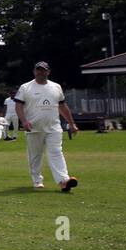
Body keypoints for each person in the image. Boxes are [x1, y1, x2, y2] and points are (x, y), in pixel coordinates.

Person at [14, 61, 79, 192]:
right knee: (35, 155)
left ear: (48, 72)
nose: (40, 72)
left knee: (56, 152)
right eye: (38, 70)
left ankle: (64, 180)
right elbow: (18, 106)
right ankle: (37, 180)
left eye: (43, 70)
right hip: (33, 128)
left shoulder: (56, 87)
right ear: (34, 71)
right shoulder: (25, 87)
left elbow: (62, 106)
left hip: (54, 128)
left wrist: (71, 123)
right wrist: (24, 121)